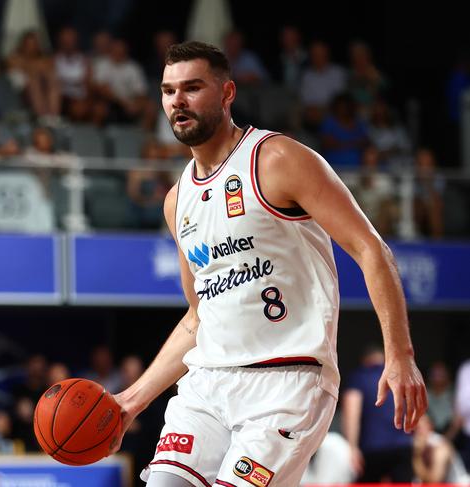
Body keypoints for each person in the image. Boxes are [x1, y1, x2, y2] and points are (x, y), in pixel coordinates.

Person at [111, 41, 427, 487]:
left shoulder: (278, 159)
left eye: (192, 87)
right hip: (209, 384)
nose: (177, 101)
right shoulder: (176, 201)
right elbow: (198, 318)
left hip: (288, 381)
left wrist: (400, 355)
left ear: (226, 93)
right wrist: (132, 400)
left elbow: (370, 249)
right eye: (168, 90)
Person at [342, 345, 415, 482]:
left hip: (371, 447)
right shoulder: (400, 376)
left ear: (365, 360)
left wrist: (352, 447)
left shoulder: (359, 376)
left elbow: (352, 413)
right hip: (403, 446)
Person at [412, 415, 469, 484]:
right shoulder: (420, 447)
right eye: (413, 429)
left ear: (430, 426)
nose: (416, 432)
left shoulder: (440, 445)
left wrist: (417, 455)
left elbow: (435, 481)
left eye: (418, 428)